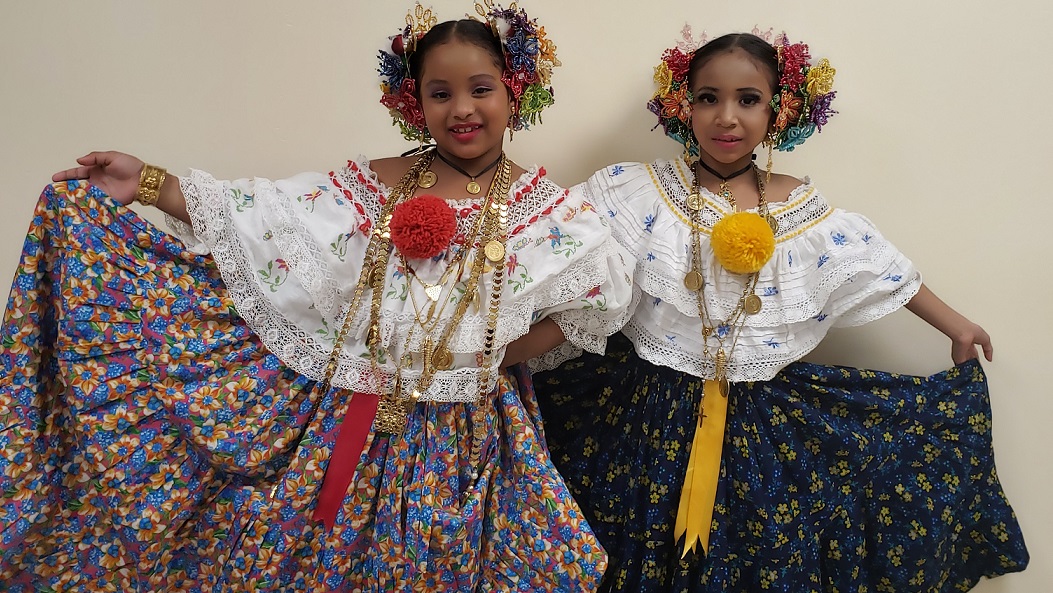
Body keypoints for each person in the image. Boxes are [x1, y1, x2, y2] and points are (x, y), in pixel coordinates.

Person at [0, 4, 633, 591]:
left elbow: (592, 304)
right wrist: (149, 183)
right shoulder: (373, 184)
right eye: (439, 93)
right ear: (414, 103)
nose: (461, 108)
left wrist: (492, 353)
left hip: (466, 435)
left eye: (480, 89)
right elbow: (259, 215)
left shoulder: (556, 214)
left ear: (515, 88)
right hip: (347, 419)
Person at [535, 29, 1028, 592]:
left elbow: (880, 268)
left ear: (779, 111)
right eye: (708, 97)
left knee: (758, 553)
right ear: (683, 105)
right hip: (644, 413)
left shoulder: (803, 210)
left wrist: (957, 325)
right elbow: (558, 253)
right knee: (633, 541)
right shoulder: (636, 193)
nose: (727, 117)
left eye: (748, 100)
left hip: (758, 425)